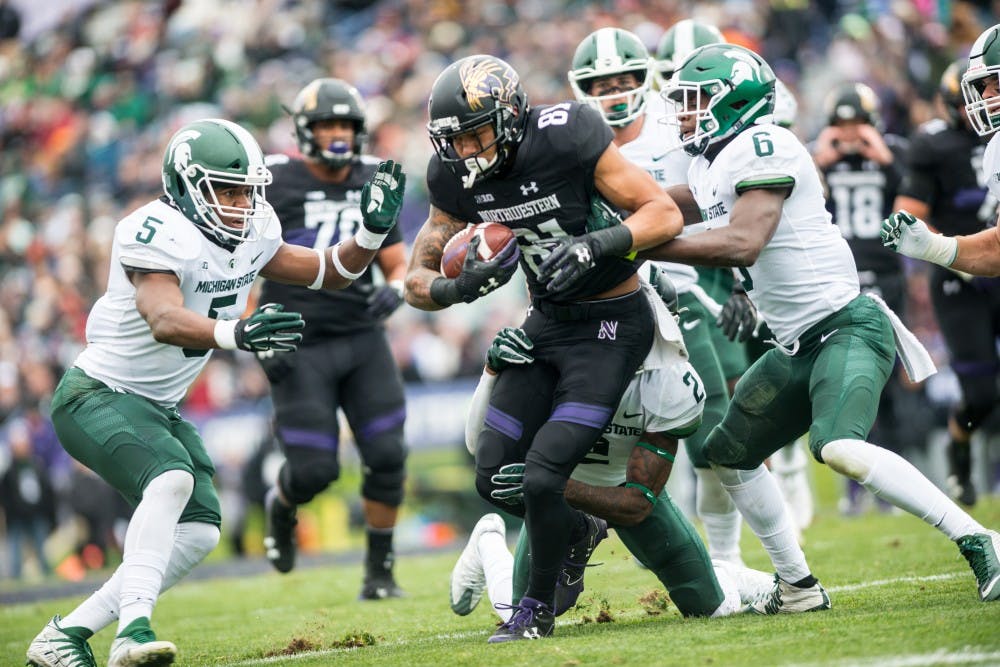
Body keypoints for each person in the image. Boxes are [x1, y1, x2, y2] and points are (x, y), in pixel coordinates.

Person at [25, 117, 405, 667]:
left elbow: (331, 272)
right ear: (185, 185)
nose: (239, 204)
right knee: (171, 478)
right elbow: (162, 317)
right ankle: (131, 632)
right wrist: (236, 332)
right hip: (96, 395)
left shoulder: (253, 229)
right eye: (226, 190)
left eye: (247, 191)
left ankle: (65, 635)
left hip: (156, 406)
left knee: (200, 532)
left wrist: (369, 234)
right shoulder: (152, 228)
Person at [645, 43, 1000, 611]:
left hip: (846, 326)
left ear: (731, 101)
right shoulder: (708, 162)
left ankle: (981, 539)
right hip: (796, 344)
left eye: (693, 102)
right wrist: (607, 206)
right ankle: (798, 587)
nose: (683, 115)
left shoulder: (767, 143)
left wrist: (641, 241)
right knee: (727, 452)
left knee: (836, 446)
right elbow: (662, 201)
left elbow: (743, 241)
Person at [404, 54, 682, 641]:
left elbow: (664, 213)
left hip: (610, 323)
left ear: (509, 117)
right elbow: (414, 281)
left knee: (542, 472)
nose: (465, 153)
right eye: (452, 142)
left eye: (475, 135)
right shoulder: (453, 176)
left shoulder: (567, 136)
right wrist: (457, 286)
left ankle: (535, 610)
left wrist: (600, 244)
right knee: (491, 473)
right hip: (548, 323)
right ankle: (576, 529)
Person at [450, 273, 774, 630]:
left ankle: (731, 576)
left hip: (616, 486)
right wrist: (492, 371)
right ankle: (489, 541)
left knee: (711, 607)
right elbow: (477, 445)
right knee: (522, 610)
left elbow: (638, 503)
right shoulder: (548, 355)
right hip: (557, 490)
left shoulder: (670, 383)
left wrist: (556, 485)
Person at [568, 26, 743, 566]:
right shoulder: (568, 146)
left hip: (677, 297)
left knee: (708, 433)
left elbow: (724, 204)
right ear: (581, 90)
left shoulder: (676, 135)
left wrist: (740, 280)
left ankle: (725, 557)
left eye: (624, 79)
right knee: (588, 439)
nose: (615, 92)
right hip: (596, 309)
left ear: (646, 78)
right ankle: (574, 550)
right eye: (601, 83)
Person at [258, 78, 409, 599]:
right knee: (315, 470)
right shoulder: (274, 180)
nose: (339, 133)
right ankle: (281, 503)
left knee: (388, 454)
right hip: (297, 342)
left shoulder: (373, 177)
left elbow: (397, 259)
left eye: (346, 123)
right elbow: (240, 264)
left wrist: (397, 289)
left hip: (362, 336)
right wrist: (256, 333)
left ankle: (380, 572)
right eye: (328, 124)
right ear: (305, 130)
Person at [881, 44, 1000, 507]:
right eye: (983, 88)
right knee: (979, 391)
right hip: (963, 279)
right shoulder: (975, 148)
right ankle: (960, 451)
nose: (987, 99)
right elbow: (910, 213)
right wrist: (930, 244)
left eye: (997, 86)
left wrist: (934, 246)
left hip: (972, 257)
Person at [811, 82, 919, 515]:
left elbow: (917, 198)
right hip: (838, 278)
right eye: (843, 125)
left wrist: (888, 161)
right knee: (845, 378)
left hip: (886, 276)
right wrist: (818, 161)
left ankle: (891, 485)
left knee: (888, 383)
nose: (852, 133)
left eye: (858, 124)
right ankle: (854, 486)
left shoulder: (896, 154)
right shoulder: (814, 157)